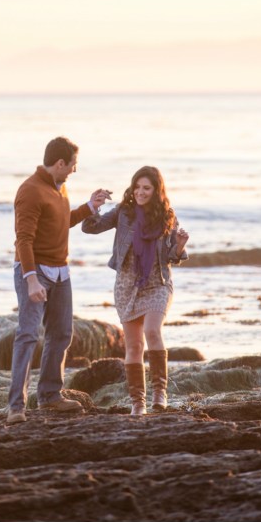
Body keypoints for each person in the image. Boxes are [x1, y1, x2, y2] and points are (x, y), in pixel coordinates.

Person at [7, 136, 111, 423]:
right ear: (60, 163)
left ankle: (50, 396)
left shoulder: (59, 188)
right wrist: (30, 279)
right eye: (73, 165)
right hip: (35, 271)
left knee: (61, 334)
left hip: (61, 273)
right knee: (28, 335)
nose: (75, 171)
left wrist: (90, 206)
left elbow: (61, 222)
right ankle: (16, 407)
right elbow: (24, 240)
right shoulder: (30, 190)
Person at [82, 166, 189, 415]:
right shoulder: (123, 212)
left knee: (152, 331)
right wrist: (93, 205)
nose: (140, 192)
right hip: (127, 285)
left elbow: (173, 257)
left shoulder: (168, 216)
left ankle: (159, 393)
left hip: (158, 283)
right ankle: (138, 402)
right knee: (133, 347)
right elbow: (90, 227)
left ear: (156, 190)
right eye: (137, 187)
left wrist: (181, 246)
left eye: (146, 188)